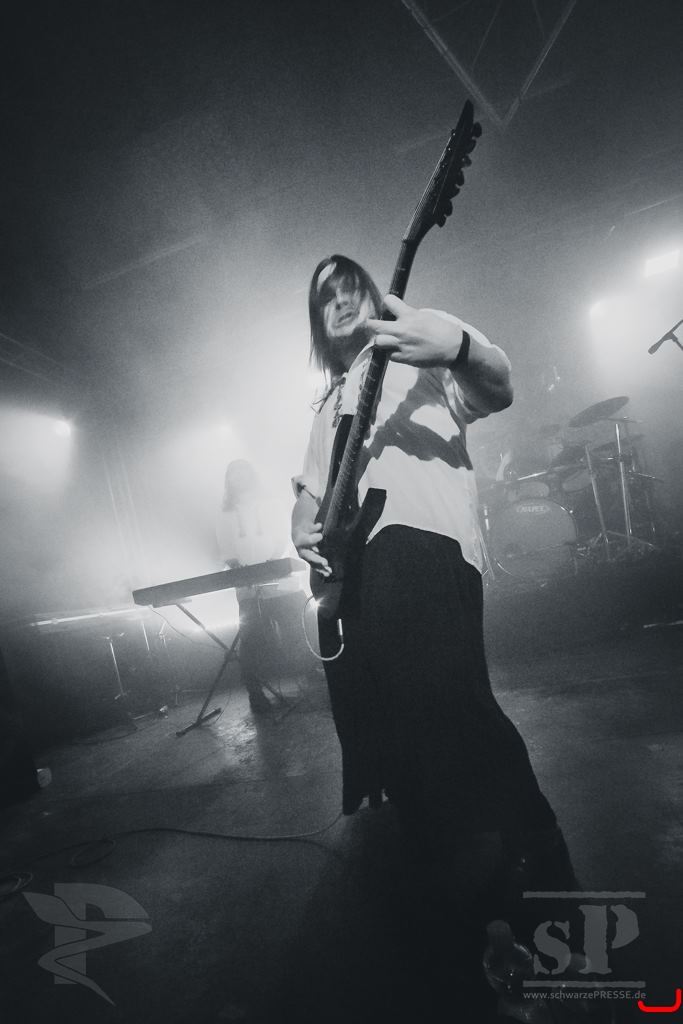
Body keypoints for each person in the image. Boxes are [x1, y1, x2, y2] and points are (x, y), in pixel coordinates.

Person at [291, 256, 576, 923]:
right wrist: (299, 524)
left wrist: (460, 346)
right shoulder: (327, 403)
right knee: (386, 723)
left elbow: (498, 385)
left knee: (446, 701)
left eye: (349, 287)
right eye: (325, 298)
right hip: (355, 569)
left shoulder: (415, 344)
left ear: (373, 296)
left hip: (421, 542)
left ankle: (540, 858)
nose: (339, 300)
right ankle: (443, 868)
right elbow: (310, 487)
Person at [216, 460, 313, 714]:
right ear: (228, 481)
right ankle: (255, 694)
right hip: (249, 590)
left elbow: (284, 534)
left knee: (299, 630)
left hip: (283, 584)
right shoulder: (225, 514)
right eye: (233, 474)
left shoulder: (271, 503)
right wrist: (241, 570)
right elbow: (226, 549)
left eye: (242, 472)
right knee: (251, 643)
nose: (238, 478)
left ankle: (312, 679)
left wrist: (273, 563)